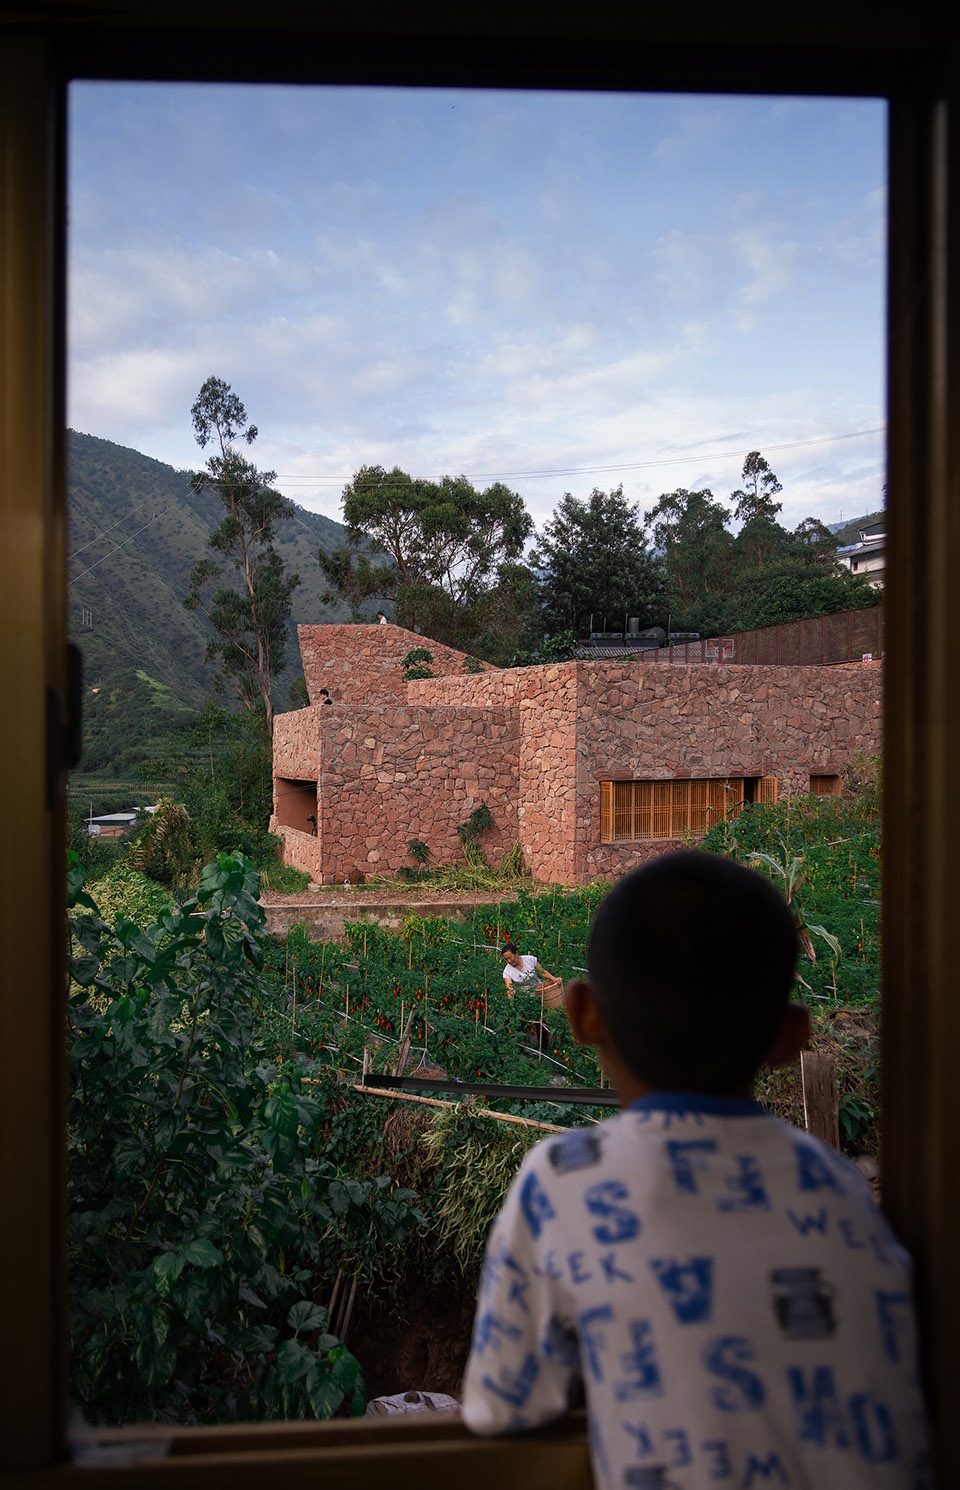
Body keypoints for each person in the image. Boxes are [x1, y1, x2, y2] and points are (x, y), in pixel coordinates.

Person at [463, 852, 930, 1490]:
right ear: (791, 1035)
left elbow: (500, 1406)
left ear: (583, 1014)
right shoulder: (844, 1189)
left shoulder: (562, 1181)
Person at [501, 941, 563, 1010]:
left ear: (516, 953)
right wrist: (511, 1007)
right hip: (525, 999)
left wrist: (553, 979)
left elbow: (542, 972)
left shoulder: (530, 960)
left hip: (540, 994)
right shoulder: (507, 972)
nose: (509, 961)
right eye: (506, 959)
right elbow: (510, 989)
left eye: (510, 958)